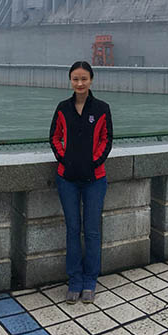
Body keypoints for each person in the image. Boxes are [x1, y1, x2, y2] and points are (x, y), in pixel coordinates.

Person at [48, 61, 113, 303]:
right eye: (75, 78)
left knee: (92, 231)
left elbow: (107, 140)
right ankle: (74, 280)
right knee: (73, 230)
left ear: (91, 80)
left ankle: (90, 281)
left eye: (84, 78)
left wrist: (93, 163)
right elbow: (54, 137)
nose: (80, 83)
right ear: (70, 81)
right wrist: (65, 159)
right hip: (67, 179)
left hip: (95, 179)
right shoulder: (63, 108)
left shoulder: (102, 108)